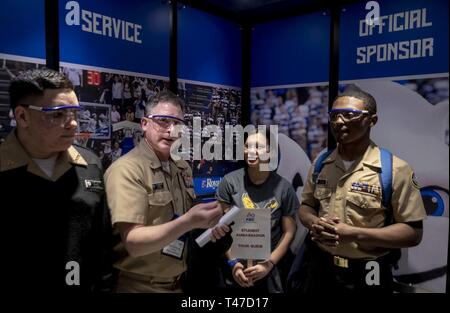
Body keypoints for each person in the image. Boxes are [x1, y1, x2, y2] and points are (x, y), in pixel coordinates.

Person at [296, 86, 426, 293]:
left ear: (372, 120)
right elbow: (306, 206)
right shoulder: (321, 163)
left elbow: (412, 233)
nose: (339, 122)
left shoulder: (395, 169)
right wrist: (315, 223)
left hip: (369, 270)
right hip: (321, 267)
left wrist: (354, 233)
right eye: (334, 116)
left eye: (349, 115)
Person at [0, 68, 112, 292]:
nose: (73, 124)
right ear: (22, 116)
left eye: (75, 113)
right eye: (58, 114)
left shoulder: (90, 164)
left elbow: (102, 244)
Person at [104, 90, 225, 293]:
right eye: (163, 121)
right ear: (144, 124)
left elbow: (180, 223)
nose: (171, 130)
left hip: (178, 281)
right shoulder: (127, 170)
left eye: (178, 123)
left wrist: (207, 225)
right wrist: (188, 221)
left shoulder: (182, 166)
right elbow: (134, 243)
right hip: (138, 285)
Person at [216, 129, 298, 293]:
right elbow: (221, 229)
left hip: (269, 271)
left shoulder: (284, 188)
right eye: (247, 146)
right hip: (235, 269)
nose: (251, 151)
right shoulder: (230, 182)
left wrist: (269, 264)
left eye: (258, 146)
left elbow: (289, 231)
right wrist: (233, 263)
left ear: (270, 151)